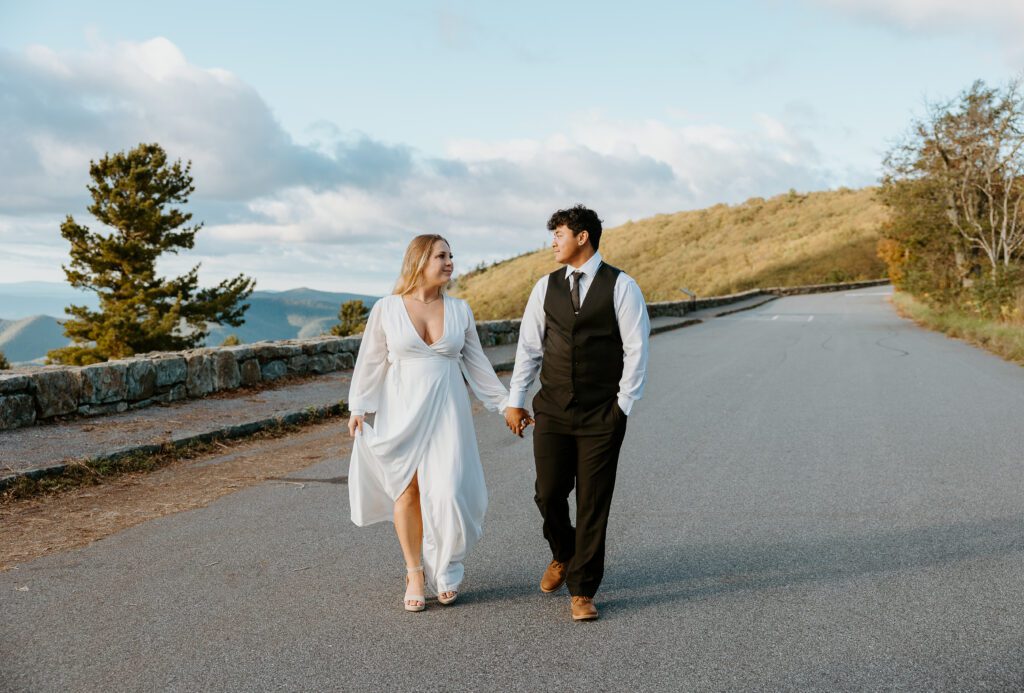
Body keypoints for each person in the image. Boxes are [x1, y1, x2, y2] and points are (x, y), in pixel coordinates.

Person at [347, 234, 509, 612]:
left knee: (449, 490)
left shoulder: (460, 310)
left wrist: (504, 404)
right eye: (441, 255)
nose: (450, 261)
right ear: (420, 261)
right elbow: (371, 360)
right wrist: (359, 407)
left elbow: (478, 364)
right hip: (401, 408)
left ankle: (448, 565)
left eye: (451, 255)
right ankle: (415, 572)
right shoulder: (387, 309)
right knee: (407, 492)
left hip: (448, 410)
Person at [504, 205, 650, 622]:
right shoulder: (544, 287)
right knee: (548, 493)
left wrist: (622, 405)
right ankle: (563, 553)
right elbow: (529, 348)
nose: (553, 241)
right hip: (551, 410)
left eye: (559, 234)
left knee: (592, 502)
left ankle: (583, 589)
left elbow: (636, 349)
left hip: (602, 413)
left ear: (582, 237)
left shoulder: (622, 286)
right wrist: (515, 400)